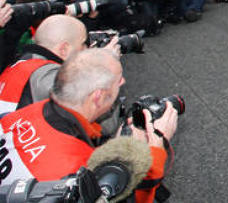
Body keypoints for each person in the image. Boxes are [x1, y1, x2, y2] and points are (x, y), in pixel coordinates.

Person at [0, 49, 176, 203]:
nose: (122, 83)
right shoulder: (78, 170)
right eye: (118, 81)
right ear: (98, 97)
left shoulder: (24, 112)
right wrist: (154, 150)